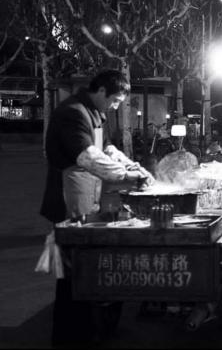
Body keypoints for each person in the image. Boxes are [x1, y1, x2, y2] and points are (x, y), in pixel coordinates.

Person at [40, 69, 154, 346]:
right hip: (68, 200)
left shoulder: (94, 113)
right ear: (101, 91)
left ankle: (90, 330)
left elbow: (107, 148)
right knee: (72, 274)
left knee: (87, 270)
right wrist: (127, 176)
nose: (115, 106)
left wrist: (130, 164)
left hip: (87, 198)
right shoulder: (74, 112)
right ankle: (70, 336)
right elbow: (88, 156)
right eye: (115, 100)